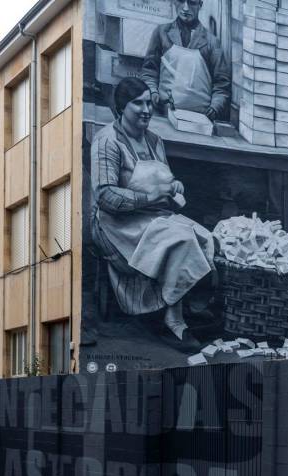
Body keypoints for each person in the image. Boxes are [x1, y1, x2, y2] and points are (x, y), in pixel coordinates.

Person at [90, 77, 215, 352]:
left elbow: (164, 179)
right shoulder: (107, 141)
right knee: (181, 239)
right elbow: (105, 195)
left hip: (152, 215)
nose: (146, 109)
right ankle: (173, 320)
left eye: (149, 102)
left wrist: (174, 186)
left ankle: (181, 300)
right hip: (117, 223)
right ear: (122, 107)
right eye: (138, 103)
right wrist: (149, 198)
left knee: (203, 236)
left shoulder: (154, 140)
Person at [141, 0, 230, 120]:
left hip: (200, 118)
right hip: (164, 113)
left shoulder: (212, 43)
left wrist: (215, 107)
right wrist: (153, 92)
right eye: (181, 1)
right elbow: (149, 71)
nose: (185, 8)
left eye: (192, 2)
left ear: (200, 4)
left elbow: (222, 84)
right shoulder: (161, 32)